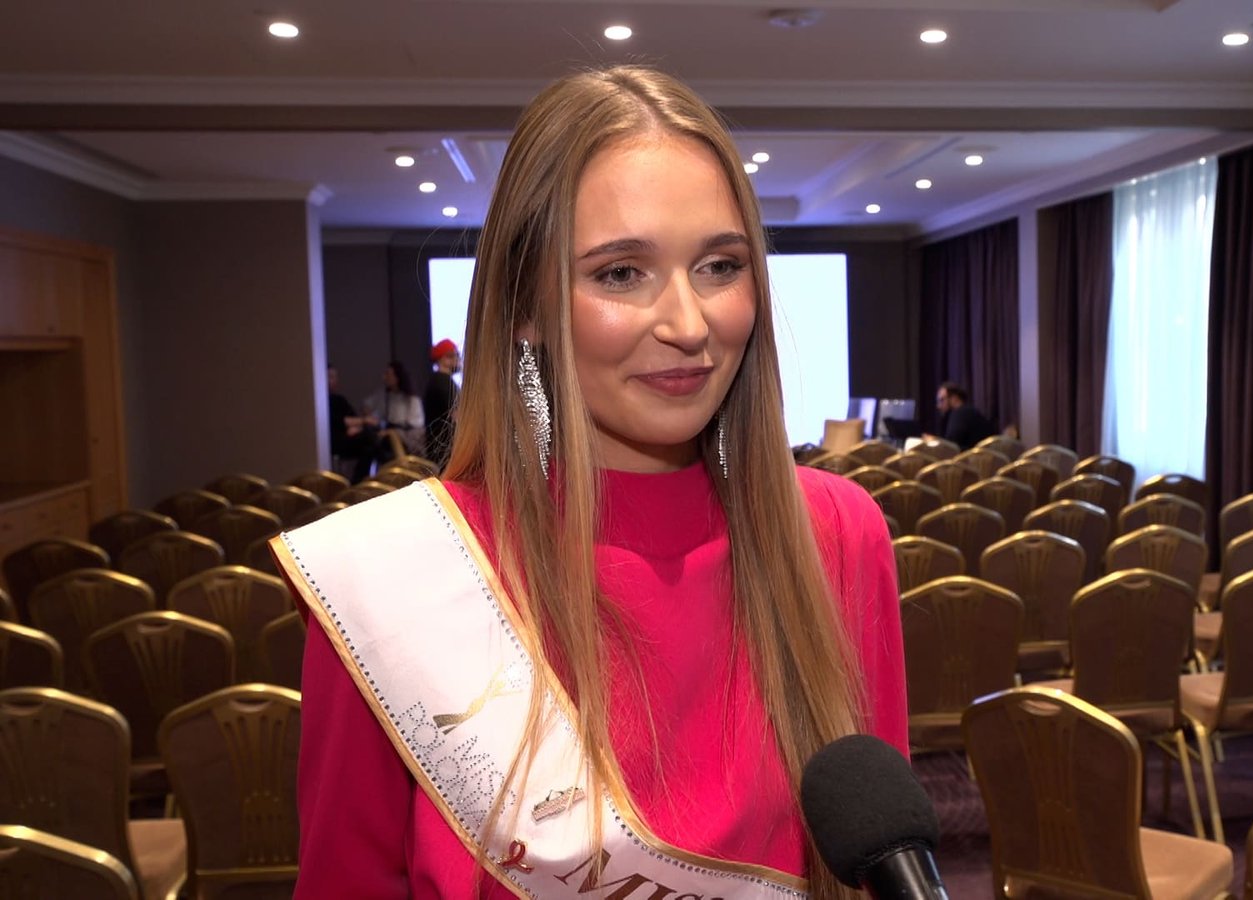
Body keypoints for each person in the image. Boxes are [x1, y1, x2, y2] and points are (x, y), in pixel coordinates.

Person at [272, 66, 906, 899]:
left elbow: (880, 861)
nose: (689, 324)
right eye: (620, 273)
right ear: (525, 308)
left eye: (720, 265)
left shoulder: (836, 534)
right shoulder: (397, 582)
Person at [363, 360, 425, 462]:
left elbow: (416, 425)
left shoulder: (412, 399)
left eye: (388, 374)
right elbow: (367, 405)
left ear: (397, 377)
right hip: (390, 433)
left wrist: (393, 432)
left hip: (408, 435)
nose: (384, 377)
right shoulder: (385, 396)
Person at [327, 365, 379, 478]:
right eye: (330, 377)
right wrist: (364, 421)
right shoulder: (323, 402)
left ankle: (360, 479)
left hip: (350, 437)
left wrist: (357, 427)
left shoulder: (340, 400)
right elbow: (340, 421)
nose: (334, 380)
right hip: (334, 441)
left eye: (335, 377)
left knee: (371, 445)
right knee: (369, 439)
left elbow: (354, 417)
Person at [423, 338, 462, 465]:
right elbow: (457, 416)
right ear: (444, 359)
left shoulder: (438, 381)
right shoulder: (443, 383)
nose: (458, 359)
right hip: (446, 451)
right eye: (455, 355)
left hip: (440, 449)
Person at [926, 381, 997, 450]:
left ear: (954, 398)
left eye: (942, 400)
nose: (938, 406)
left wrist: (933, 441)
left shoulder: (960, 413)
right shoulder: (970, 412)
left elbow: (950, 446)